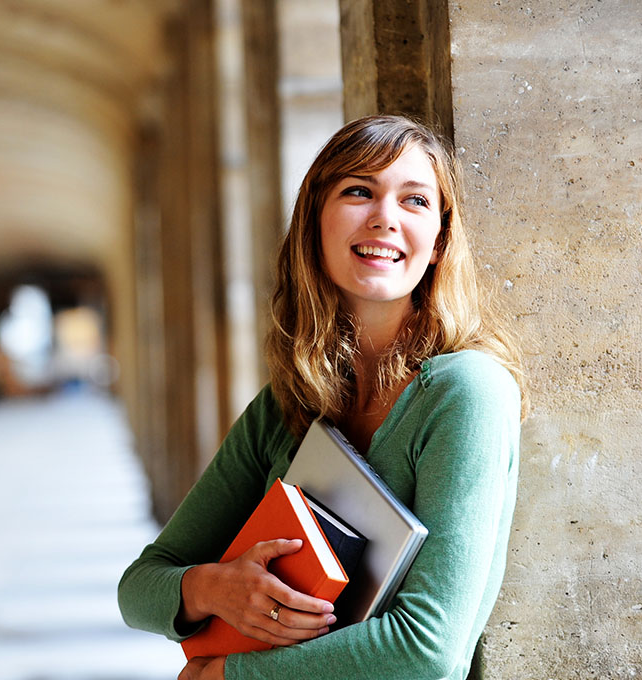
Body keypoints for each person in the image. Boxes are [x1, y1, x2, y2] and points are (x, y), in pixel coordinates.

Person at [118, 115, 525, 680]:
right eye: (359, 191)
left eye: (415, 201)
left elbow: (427, 651)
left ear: (439, 243)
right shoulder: (285, 406)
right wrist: (214, 587)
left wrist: (223, 677)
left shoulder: (465, 393)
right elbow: (139, 587)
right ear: (314, 222)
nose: (385, 217)